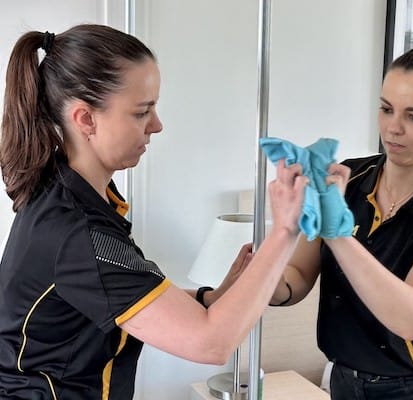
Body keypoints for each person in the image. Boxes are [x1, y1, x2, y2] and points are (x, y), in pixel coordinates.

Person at [0, 24, 307, 400]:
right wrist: (285, 231)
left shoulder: (69, 193)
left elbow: (118, 293)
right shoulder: (77, 232)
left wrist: (211, 299)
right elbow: (211, 344)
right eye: (142, 112)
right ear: (85, 119)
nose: (157, 126)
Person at [268, 46, 413, 400]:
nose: (393, 128)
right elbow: (297, 277)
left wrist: (337, 232)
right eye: (386, 109)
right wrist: (258, 277)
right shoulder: (349, 179)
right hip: (346, 381)